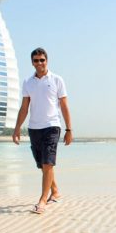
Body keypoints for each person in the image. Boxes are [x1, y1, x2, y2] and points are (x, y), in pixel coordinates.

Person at [13, 47, 73, 214]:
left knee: (48, 163)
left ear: (47, 61)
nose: (39, 63)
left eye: (42, 60)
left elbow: (64, 105)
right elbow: (24, 107)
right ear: (32, 62)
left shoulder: (57, 80)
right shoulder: (27, 82)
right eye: (36, 60)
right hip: (34, 128)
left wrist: (69, 129)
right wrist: (17, 128)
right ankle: (55, 191)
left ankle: (42, 200)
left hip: (52, 126)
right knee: (42, 165)